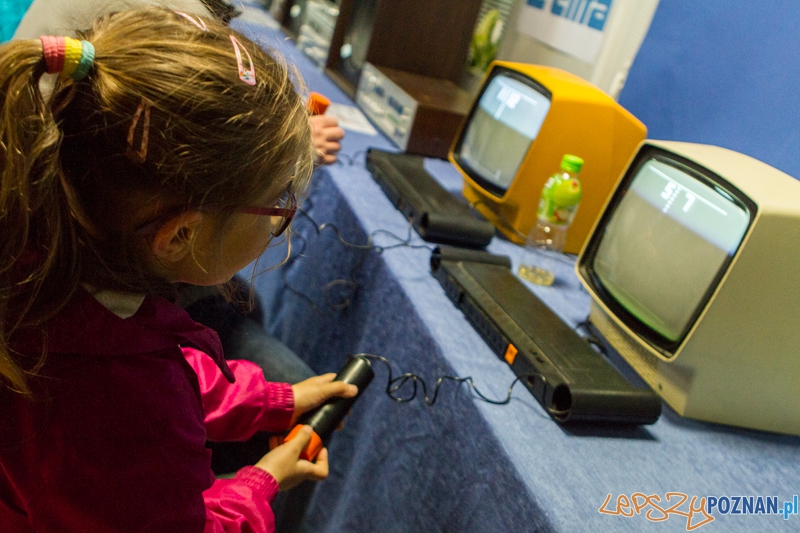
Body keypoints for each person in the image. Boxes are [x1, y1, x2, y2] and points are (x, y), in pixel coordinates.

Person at [0, 7, 355, 531]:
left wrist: (270, 399)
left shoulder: (51, 258)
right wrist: (259, 483)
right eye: (278, 202)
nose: (284, 216)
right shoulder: (126, 406)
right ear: (179, 236)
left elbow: (163, 370)